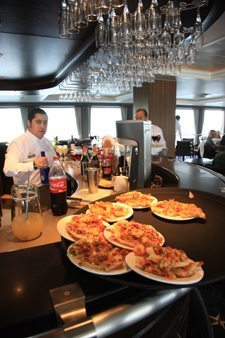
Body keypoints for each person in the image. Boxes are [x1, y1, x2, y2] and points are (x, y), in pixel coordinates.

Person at [4, 108, 55, 186]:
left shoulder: (48, 142)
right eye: (38, 122)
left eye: (45, 122)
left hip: (50, 187)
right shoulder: (18, 143)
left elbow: (54, 163)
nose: (42, 126)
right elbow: (8, 170)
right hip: (27, 192)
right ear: (29, 123)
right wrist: (33, 164)